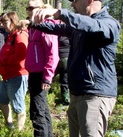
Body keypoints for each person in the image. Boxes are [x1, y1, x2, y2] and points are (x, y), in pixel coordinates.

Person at [28, 0, 121, 136]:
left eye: (75, 0)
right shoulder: (80, 25)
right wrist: (32, 23)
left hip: (95, 95)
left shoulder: (108, 23)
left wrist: (59, 13)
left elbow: (92, 26)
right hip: (78, 93)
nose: (72, 5)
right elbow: (58, 28)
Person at [24, 0, 59, 136]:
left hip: (41, 74)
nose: (28, 11)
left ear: (41, 9)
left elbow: (53, 54)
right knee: (42, 110)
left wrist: (47, 77)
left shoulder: (47, 26)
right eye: (27, 8)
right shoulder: (34, 27)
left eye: (31, 8)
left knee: (37, 112)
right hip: (33, 73)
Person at [0, 12, 29, 130]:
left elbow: (21, 55)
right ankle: (10, 125)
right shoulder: (11, 36)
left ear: (13, 22)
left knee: (18, 107)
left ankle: (19, 131)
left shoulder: (20, 35)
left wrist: (2, 61)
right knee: (0, 99)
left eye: (5, 22)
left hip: (17, 75)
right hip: (7, 76)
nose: (3, 25)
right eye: (2, 22)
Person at [55, 35, 70, 106]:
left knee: (64, 80)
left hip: (65, 58)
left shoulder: (69, 32)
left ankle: (66, 100)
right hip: (56, 58)